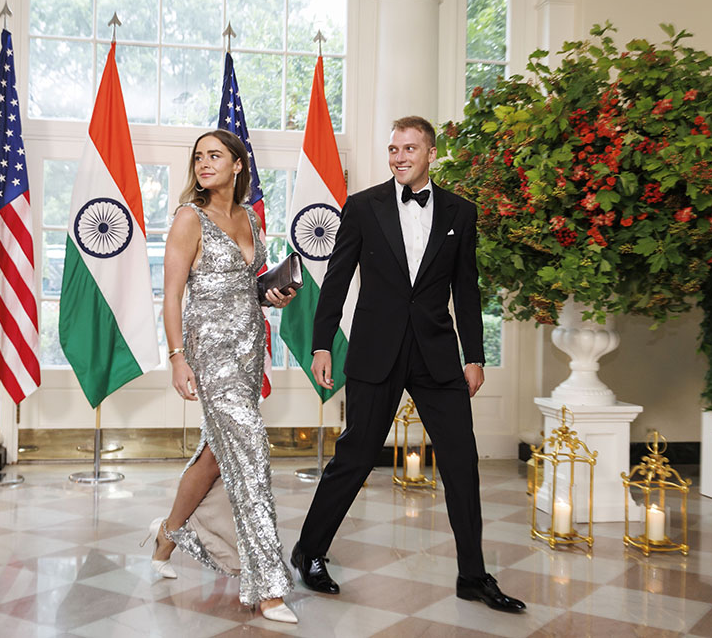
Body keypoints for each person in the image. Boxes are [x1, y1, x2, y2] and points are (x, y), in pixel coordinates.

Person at [290, 116, 526, 614]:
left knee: (462, 462)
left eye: (409, 148)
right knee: (355, 456)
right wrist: (322, 345)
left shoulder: (462, 211)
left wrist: (475, 355)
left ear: (431, 154)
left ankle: (473, 575)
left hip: (437, 356)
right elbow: (336, 280)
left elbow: (466, 288)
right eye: (393, 148)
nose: (399, 156)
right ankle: (309, 551)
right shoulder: (362, 207)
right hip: (377, 350)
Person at [145, 129, 298, 624]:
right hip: (209, 353)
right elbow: (172, 295)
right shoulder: (190, 218)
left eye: (215, 156)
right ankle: (269, 587)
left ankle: (168, 535)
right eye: (199, 157)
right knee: (251, 450)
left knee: (215, 457)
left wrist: (271, 295)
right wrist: (176, 357)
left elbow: (243, 286)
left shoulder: (253, 216)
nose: (204, 164)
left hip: (250, 348)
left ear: (237, 164)